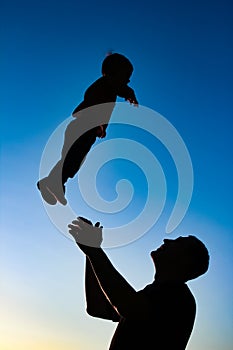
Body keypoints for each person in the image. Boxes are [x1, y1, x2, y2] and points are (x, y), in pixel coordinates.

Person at [68, 217, 210, 350]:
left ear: (185, 260)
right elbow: (97, 308)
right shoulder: (155, 293)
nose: (167, 240)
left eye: (177, 242)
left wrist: (94, 251)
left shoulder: (179, 298)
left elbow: (129, 307)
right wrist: (91, 252)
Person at [37, 53, 139, 206]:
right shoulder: (106, 83)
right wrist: (130, 93)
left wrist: (101, 126)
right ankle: (52, 182)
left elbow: (111, 96)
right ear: (114, 72)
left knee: (74, 158)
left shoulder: (108, 86)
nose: (128, 80)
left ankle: (54, 183)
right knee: (73, 156)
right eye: (126, 75)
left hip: (86, 126)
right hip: (84, 124)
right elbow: (110, 91)